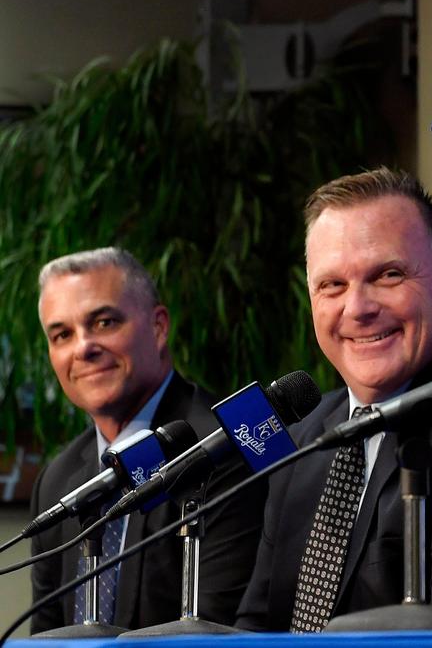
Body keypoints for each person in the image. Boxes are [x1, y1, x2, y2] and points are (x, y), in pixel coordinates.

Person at [235, 167, 432, 632]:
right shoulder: (305, 436)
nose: (357, 308)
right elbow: (257, 626)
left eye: (388, 275)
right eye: (332, 285)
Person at [30, 247, 265, 632]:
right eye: (62, 335)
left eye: (104, 322)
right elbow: (45, 636)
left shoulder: (224, 446)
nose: (83, 347)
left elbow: (217, 632)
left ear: (158, 327)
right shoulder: (57, 480)